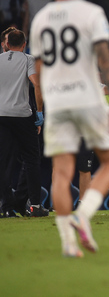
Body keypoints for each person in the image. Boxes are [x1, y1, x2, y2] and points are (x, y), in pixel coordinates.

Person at [29, 0, 109, 257]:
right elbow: (105, 59)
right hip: (87, 96)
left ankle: (67, 243)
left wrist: (43, 108)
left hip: (57, 101)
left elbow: (39, 70)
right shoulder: (91, 12)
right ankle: (83, 216)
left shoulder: (40, 18)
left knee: (61, 172)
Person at [0, 29, 46, 217]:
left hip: (1, 115)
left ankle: (6, 207)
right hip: (22, 115)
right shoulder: (28, 60)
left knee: (2, 162)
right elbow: (37, 85)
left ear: (7, 44)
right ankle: (33, 205)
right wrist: (40, 113)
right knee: (31, 160)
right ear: (24, 44)